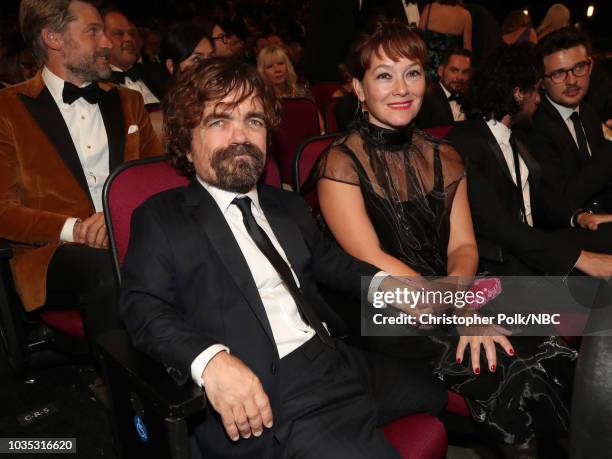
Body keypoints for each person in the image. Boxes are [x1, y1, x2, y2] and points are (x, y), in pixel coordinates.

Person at [119, 56, 446, 458]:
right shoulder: (161, 218)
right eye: (219, 121)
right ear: (187, 144)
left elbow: (330, 261)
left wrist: (385, 283)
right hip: (273, 392)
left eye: (254, 121)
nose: (241, 136)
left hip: (334, 357)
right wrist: (210, 362)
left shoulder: (283, 205)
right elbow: (142, 307)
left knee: (441, 391)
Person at [309, 18, 576, 457]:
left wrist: (461, 298)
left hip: (457, 289)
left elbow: (463, 247)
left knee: (552, 353)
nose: (401, 88)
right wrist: (461, 312)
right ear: (358, 88)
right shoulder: (339, 164)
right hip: (385, 309)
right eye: (384, 75)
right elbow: (370, 257)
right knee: (512, 373)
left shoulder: (446, 155)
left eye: (412, 73)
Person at [0, 0, 162, 348]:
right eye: (93, 31)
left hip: (132, 234)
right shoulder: (8, 110)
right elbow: (3, 212)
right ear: (53, 38)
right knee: (104, 266)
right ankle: (126, 391)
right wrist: (78, 229)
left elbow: (159, 181)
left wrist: (116, 217)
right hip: (53, 254)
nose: (106, 42)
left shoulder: (129, 101)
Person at [447, 45, 612, 278]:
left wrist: (579, 216)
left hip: (532, 246)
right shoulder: (464, 144)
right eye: (535, 91)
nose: (538, 99)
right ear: (517, 93)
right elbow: (497, 224)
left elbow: (541, 197)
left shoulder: (517, 136)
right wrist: (581, 259)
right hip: (499, 262)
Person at [528, 28, 612, 229]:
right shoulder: (534, 126)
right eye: (559, 73)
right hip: (565, 232)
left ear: (590, 66)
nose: (572, 80)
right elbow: (564, 198)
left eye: (579, 67)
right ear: (542, 82)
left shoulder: (588, 111)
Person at [102, 8, 164, 106]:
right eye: (119, 34)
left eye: (131, 33)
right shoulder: (97, 86)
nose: (129, 38)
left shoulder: (157, 73)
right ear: (102, 39)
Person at [416, 48, 471, 128]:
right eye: (454, 70)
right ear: (441, 71)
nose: (460, 77)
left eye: (465, 72)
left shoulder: (471, 99)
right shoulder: (426, 98)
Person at [418, 1, 471, 82]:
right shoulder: (465, 15)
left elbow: (417, 40)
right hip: (449, 70)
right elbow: (467, 48)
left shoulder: (429, 8)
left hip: (427, 67)